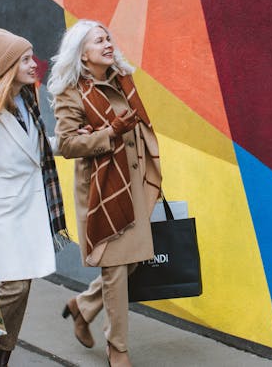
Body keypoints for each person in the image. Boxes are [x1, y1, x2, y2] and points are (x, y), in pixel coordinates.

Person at [48, 19, 161, 367]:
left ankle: (82, 307)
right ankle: (118, 349)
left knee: (133, 262)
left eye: (108, 38)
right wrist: (108, 133)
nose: (108, 44)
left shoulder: (122, 81)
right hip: (104, 192)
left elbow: (139, 128)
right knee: (115, 269)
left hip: (133, 184)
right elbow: (66, 144)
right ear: (82, 54)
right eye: (99, 41)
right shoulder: (71, 93)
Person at [0, 27, 70, 367]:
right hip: (2, 218)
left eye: (31, 57)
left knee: (22, 291)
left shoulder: (26, 102)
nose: (34, 64)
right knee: (13, 288)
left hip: (29, 213)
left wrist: (74, 142)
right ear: (8, 67)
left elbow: (37, 148)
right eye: (24, 59)